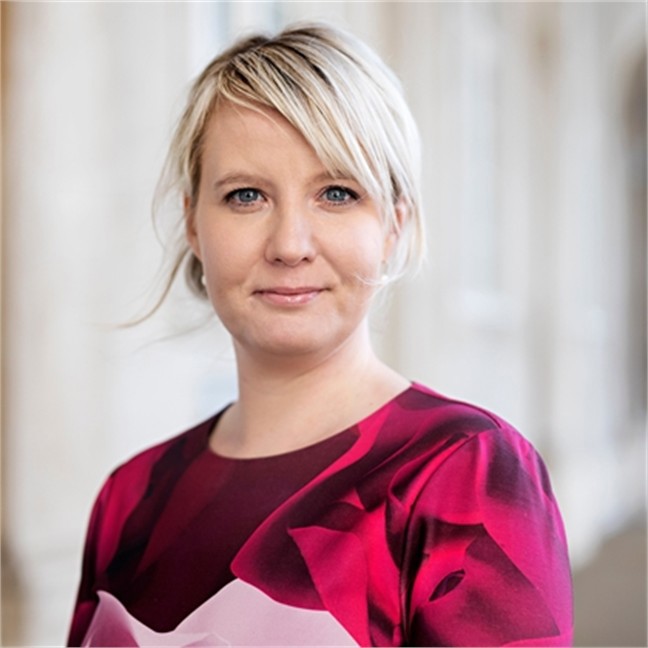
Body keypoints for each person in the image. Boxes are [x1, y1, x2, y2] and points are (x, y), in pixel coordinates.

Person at [67, 22, 573, 647]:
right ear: (193, 223)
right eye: (246, 196)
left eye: (336, 193)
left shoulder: (464, 472)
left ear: (393, 225)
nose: (289, 245)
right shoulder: (129, 499)